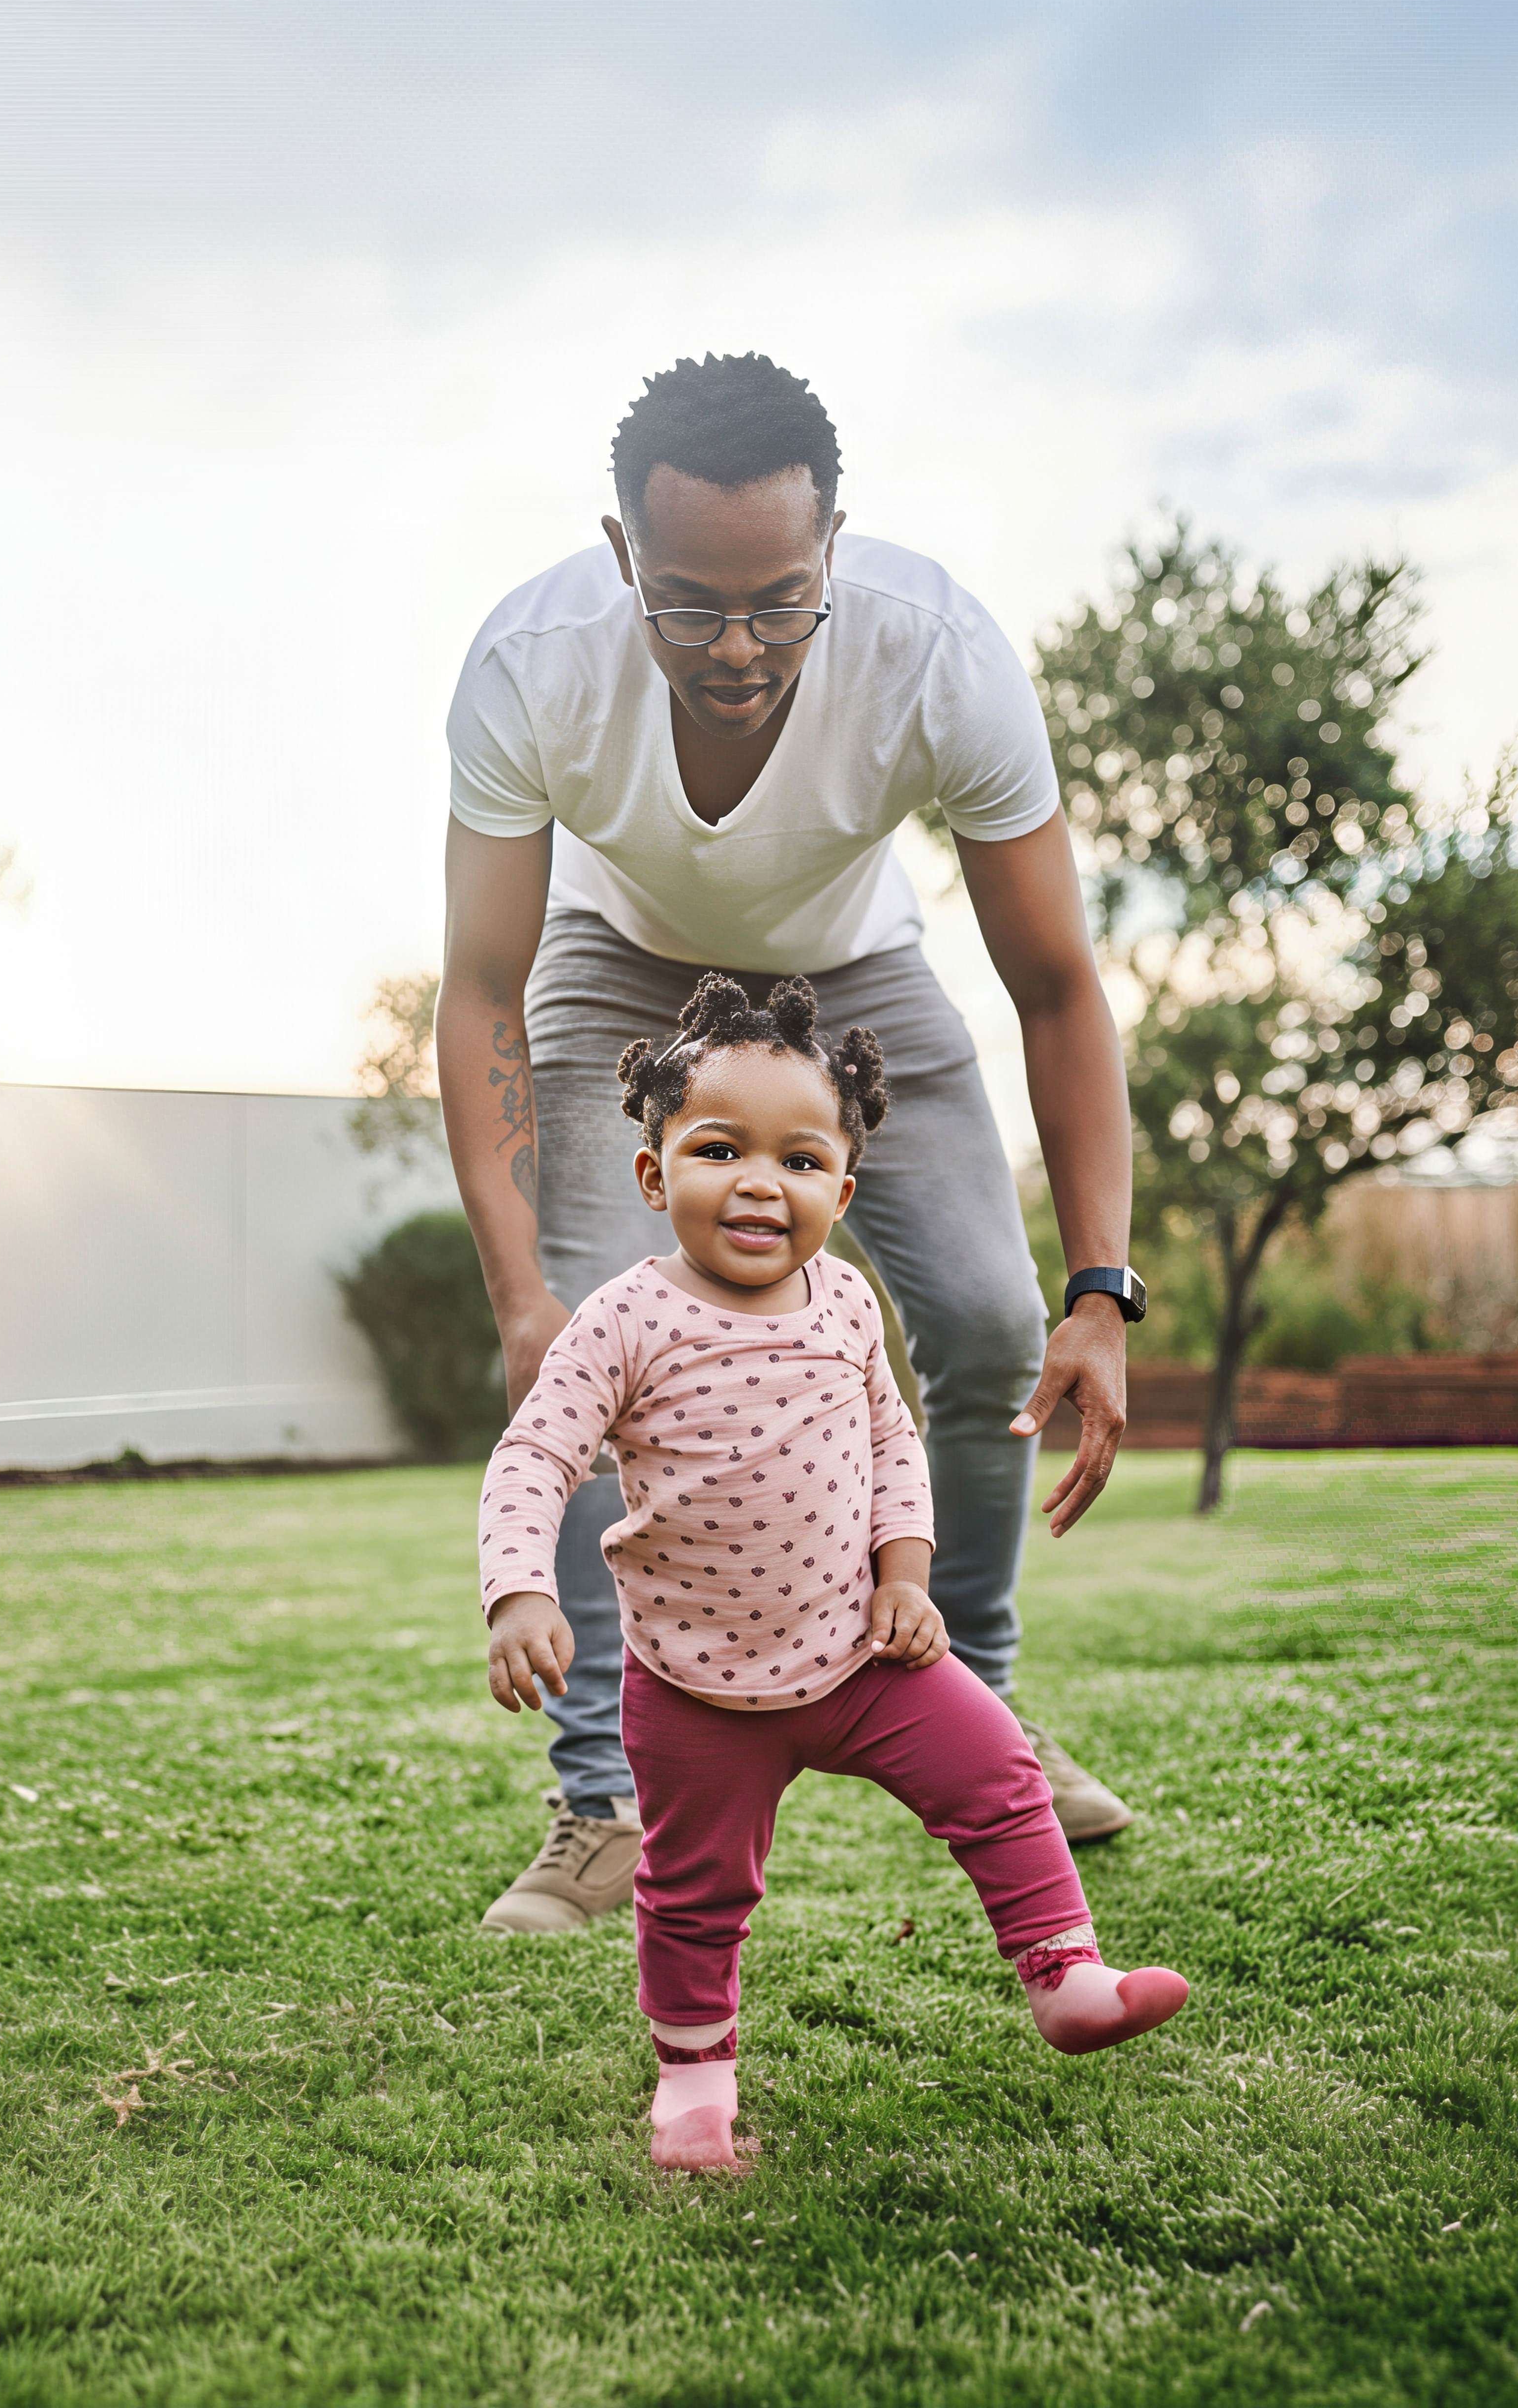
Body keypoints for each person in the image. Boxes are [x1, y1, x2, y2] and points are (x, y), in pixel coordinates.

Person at [437, 351, 1151, 1936]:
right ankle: (601, 1802)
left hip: (857, 973)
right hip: (617, 965)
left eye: (780, 600)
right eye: (689, 604)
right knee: (583, 1349)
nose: (740, 647)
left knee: (989, 1320)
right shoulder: (531, 663)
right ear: (621, 553)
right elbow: (482, 987)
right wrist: (518, 1296)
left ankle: (977, 1713)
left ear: (835, 543)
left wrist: (1102, 1288)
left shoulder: (935, 652)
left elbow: (1055, 984)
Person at [481, 975, 1191, 2171]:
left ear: (842, 1191)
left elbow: (892, 1447)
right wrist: (519, 1589)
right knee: (694, 1895)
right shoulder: (622, 1320)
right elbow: (535, 1454)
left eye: (801, 1161)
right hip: (695, 1688)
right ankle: (694, 2086)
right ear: (654, 1175)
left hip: (866, 1657)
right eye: (720, 1150)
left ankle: (1067, 1976)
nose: (761, 1183)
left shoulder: (849, 1302)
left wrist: (906, 1579)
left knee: (1001, 1775)